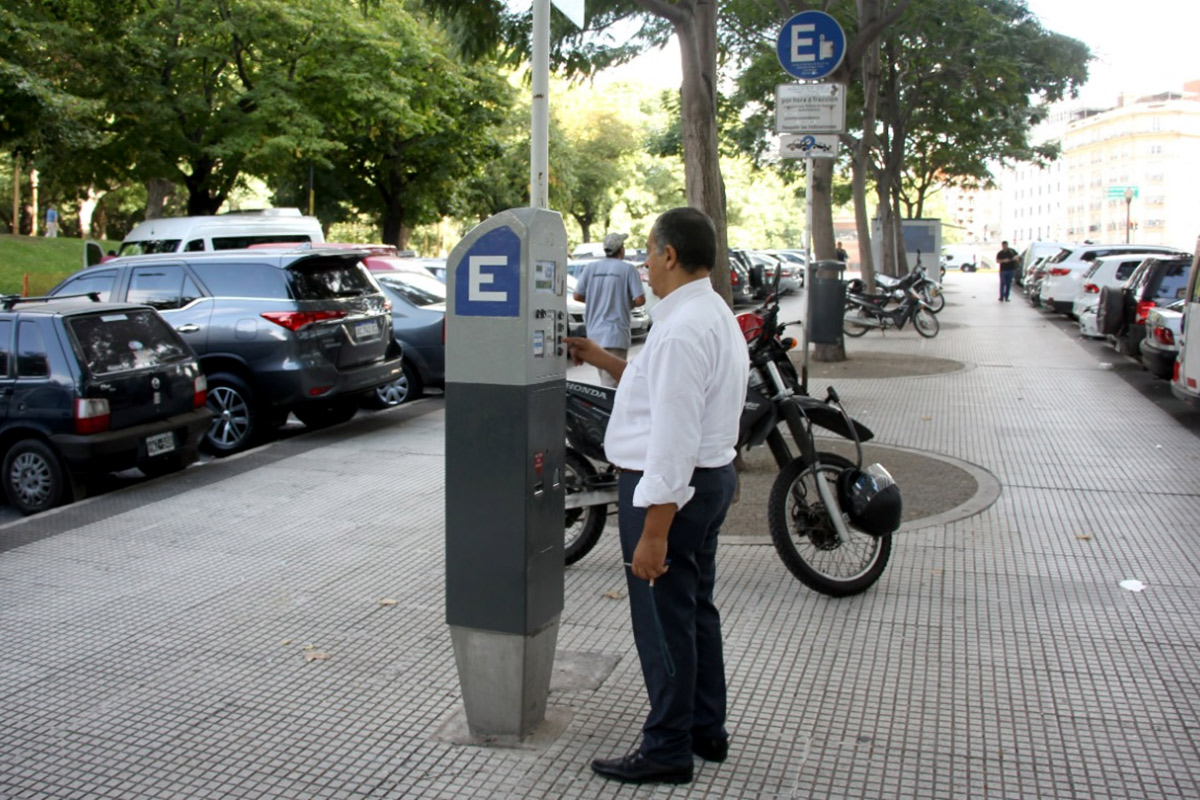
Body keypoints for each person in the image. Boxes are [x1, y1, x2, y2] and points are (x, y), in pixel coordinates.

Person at [567, 207, 749, 786]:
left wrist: (653, 532)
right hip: (710, 480)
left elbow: (672, 440)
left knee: (662, 620)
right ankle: (704, 728)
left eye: (648, 251)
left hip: (669, 491)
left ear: (670, 254)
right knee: (694, 610)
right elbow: (666, 397)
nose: (643, 262)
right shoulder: (712, 313)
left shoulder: (679, 330)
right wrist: (602, 360)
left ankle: (668, 747)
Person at [573, 232, 646, 387]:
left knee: (605, 380)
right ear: (621, 249)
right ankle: (610, 412)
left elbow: (577, 295)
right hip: (616, 334)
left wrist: (595, 300)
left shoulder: (591, 268)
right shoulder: (628, 269)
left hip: (594, 335)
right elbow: (640, 299)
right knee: (612, 386)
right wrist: (625, 303)